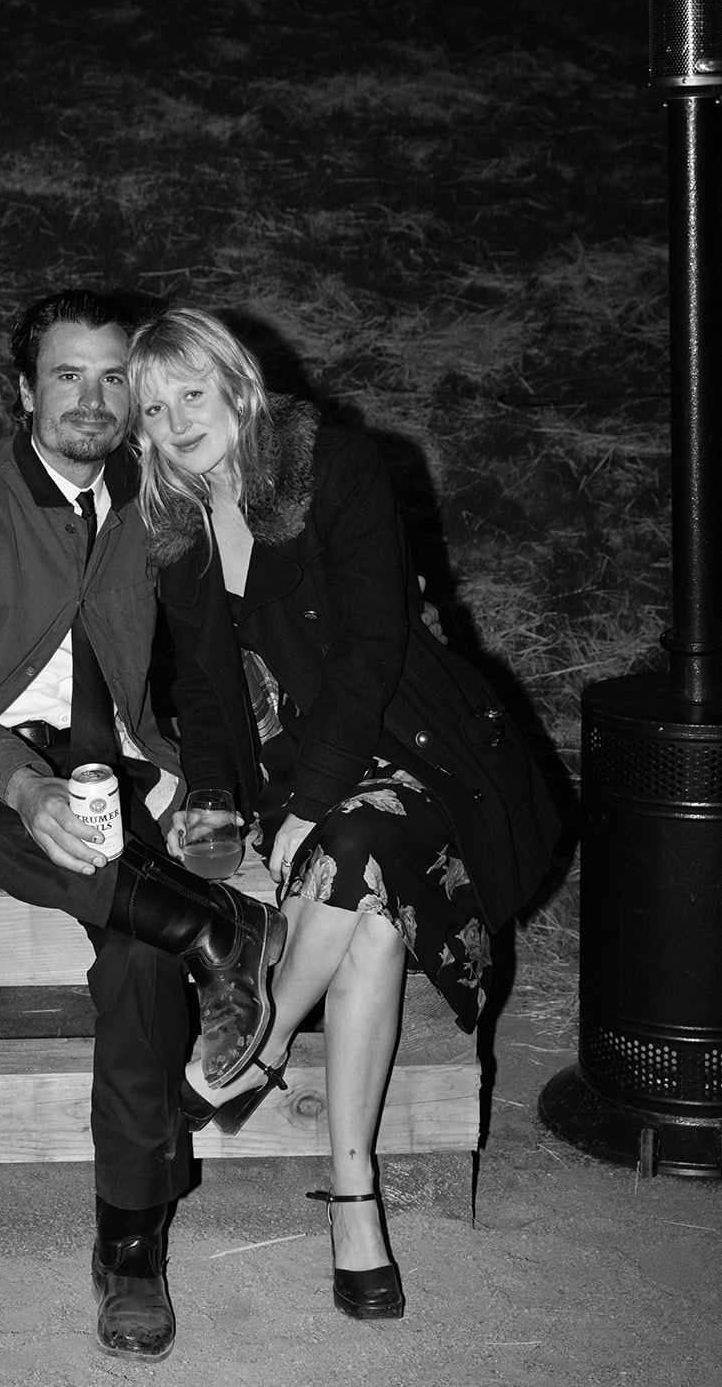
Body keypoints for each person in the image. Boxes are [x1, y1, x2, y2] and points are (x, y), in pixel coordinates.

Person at [0, 289, 286, 1363]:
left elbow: (213, 648)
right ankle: (208, 923)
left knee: (136, 949)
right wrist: (23, 787)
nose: (91, 398)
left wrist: (213, 774)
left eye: (113, 377)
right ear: (24, 390)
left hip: (111, 778)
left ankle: (131, 1244)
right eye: (66, 375)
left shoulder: (156, 499)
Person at [126, 306, 560, 1322]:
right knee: (368, 918)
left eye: (192, 392)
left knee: (357, 843)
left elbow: (372, 650)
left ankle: (264, 1034)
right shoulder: (177, 524)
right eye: (152, 408)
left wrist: (306, 809)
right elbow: (203, 691)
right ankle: (352, 1197)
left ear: (237, 386)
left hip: (413, 745)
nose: (176, 421)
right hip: (291, 771)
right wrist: (217, 809)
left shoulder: (337, 468)